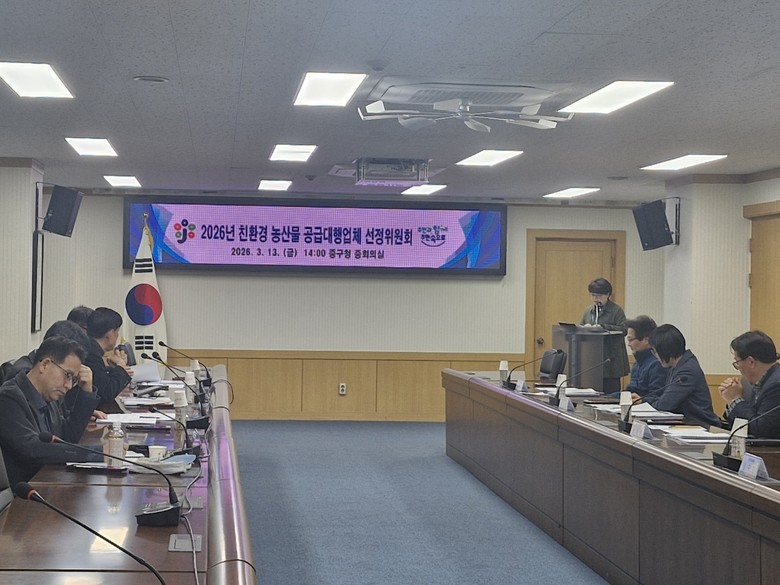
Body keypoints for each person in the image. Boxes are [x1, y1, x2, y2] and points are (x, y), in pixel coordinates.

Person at [0, 336, 102, 487]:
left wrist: (86, 392)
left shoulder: (48, 396)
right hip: (24, 492)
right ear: (45, 365)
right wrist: (96, 453)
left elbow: (67, 437)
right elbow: (33, 449)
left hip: (48, 483)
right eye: (67, 375)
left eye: (73, 379)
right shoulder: (8, 398)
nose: (68, 385)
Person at [641, 324, 721, 427]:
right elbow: (663, 398)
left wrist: (644, 401)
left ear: (665, 350)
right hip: (687, 424)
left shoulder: (687, 371)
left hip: (700, 425)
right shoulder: (677, 366)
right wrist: (644, 400)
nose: (655, 356)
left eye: (655, 352)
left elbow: (664, 405)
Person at [719, 331, 780, 438]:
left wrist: (734, 400)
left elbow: (761, 429)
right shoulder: (753, 383)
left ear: (751, 362)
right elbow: (738, 424)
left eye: (737, 362)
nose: (738, 367)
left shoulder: (776, 384)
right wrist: (732, 402)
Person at [578, 278, 630, 393]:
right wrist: (585, 328)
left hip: (610, 360)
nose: (595, 299)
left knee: (610, 393)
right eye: (593, 295)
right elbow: (580, 328)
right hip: (592, 360)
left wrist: (603, 327)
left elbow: (623, 330)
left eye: (599, 296)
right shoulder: (588, 311)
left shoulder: (616, 311)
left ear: (607, 294)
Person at [85, 307, 133, 408]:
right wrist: (121, 366)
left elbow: (101, 381)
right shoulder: (91, 355)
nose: (117, 336)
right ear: (110, 334)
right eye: (117, 332)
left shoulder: (90, 348)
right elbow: (106, 393)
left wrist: (115, 369)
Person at [622, 315, 666, 398]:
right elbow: (631, 391)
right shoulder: (638, 363)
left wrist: (641, 400)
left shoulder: (657, 364)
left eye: (630, 340)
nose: (628, 344)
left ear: (646, 340)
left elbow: (656, 396)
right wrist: (608, 397)